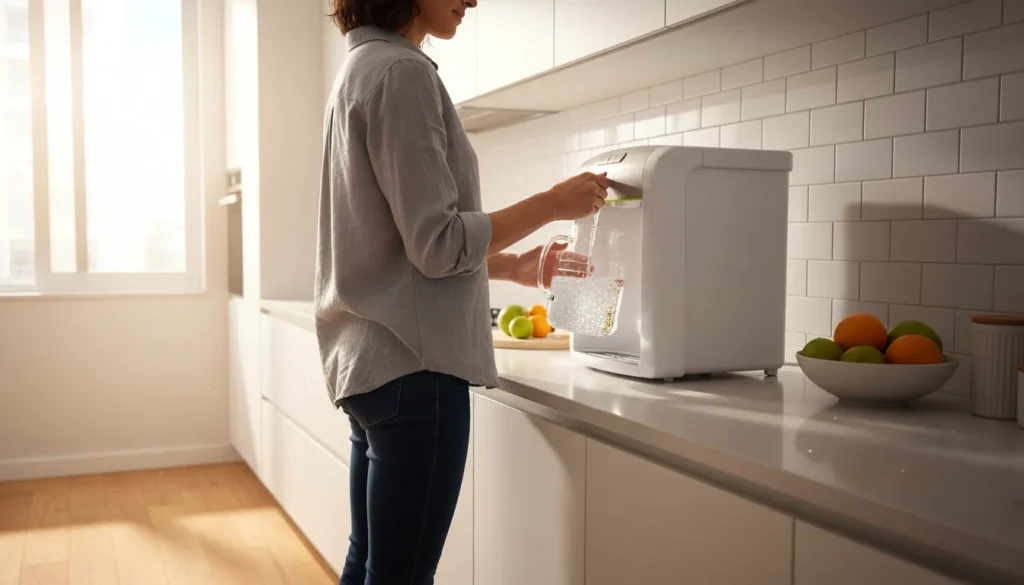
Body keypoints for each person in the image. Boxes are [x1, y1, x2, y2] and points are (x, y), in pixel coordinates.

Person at [317, 1, 610, 583]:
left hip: (371, 363)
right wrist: (552, 202)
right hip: (415, 373)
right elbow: (437, 242)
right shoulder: (402, 73)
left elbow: (399, 244)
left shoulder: (360, 69)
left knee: (369, 560)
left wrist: (516, 267)